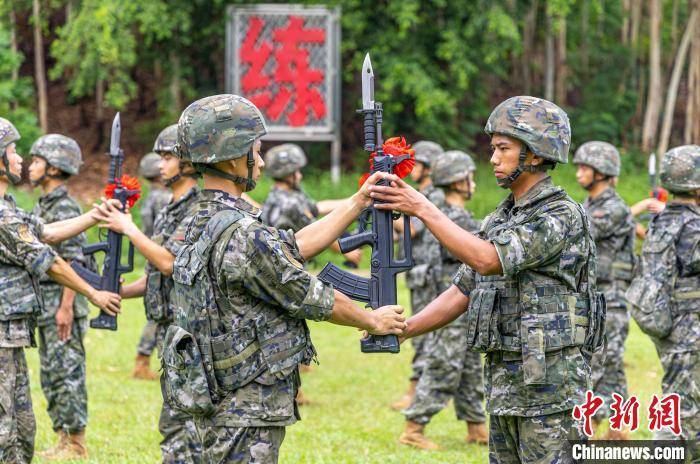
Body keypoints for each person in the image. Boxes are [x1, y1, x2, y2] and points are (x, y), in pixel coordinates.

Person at [160, 94, 406, 463]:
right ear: (231, 156)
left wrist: (357, 201)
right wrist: (373, 319)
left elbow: (294, 245)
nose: (260, 163)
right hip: (245, 405)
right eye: (255, 151)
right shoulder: (244, 234)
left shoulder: (203, 220)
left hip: (218, 393)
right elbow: (313, 294)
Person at [367, 96, 604, 463]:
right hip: (506, 389)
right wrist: (405, 328)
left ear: (536, 154)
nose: (493, 158)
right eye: (493, 148)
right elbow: (464, 288)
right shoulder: (501, 217)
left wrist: (421, 206)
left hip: (550, 393)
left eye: (503, 148)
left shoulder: (560, 215)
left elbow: (487, 260)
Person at [0, 117, 121, 463]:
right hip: (3, 334)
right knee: (7, 429)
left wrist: (95, 216)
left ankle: (71, 439)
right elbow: (50, 259)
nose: (21, 159)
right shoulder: (3, 216)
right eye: (13, 151)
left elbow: (47, 232)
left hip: (12, 334)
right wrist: (93, 293)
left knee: (20, 426)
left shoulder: (10, 209)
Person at [95, 124, 203, 463]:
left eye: (168, 157)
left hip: (190, 329)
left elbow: (170, 263)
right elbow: (155, 273)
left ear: (188, 163)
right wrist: (117, 291)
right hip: (168, 328)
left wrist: (128, 227)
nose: (161, 165)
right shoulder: (171, 208)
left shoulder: (196, 208)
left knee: (188, 420)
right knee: (174, 416)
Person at [399, 150, 487, 449]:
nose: (473, 183)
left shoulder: (439, 214)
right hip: (455, 306)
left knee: (470, 367)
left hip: (458, 303)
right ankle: (413, 428)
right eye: (470, 177)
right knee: (444, 365)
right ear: (460, 181)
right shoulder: (458, 218)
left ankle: (476, 426)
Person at [626, 145, 700, 461]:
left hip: (665, 322)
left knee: (678, 397)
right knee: (687, 406)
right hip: (688, 329)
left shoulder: (662, 221)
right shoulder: (693, 227)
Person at [26, 134, 92, 459]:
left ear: (53, 168)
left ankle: (76, 442)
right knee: (51, 374)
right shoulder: (44, 205)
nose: (30, 166)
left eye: (37, 162)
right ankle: (62, 438)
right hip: (46, 307)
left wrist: (66, 307)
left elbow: (74, 260)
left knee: (67, 373)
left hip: (62, 308)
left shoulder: (65, 206)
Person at [573, 141, 635, 440]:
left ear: (602, 172)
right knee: (609, 366)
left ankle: (590, 428)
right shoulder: (588, 206)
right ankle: (617, 431)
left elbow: (582, 233)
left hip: (610, 299)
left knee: (598, 362)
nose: (578, 173)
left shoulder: (613, 208)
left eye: (585, 167)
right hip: (593, 298)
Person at [390, 140, 446, 411]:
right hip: (420, 273)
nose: (412, 169)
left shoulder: (432, 196)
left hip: (428, 275)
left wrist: (385, 210)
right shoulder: (422, 194)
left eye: (418, 164)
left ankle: (415, 393)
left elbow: (412, 231)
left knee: (422, 335)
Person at [261, 143, 361, 267]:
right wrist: (347, 251)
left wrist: (358, 200)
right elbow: (319, 232)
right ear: (287, 174)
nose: (300, 175)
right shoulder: (289, 204)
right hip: (284, 268)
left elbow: (318, 207)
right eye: (296, 171)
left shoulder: (281, 195)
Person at [133, 151, 172, 380]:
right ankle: (143, 359)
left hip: (152, 256)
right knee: (159, 313)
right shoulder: (164, 199)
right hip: (161, 257)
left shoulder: (150, 198)